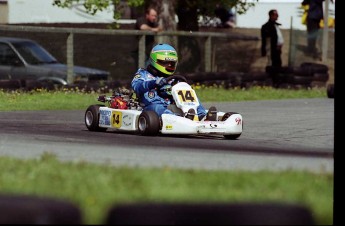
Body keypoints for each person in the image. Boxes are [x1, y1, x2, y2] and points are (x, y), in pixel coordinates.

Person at [131, 43, 217, 121]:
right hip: (150, 107)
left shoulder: (172, 79)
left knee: (191, 95)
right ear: (156, 61)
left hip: (172, 105)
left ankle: (202, 115)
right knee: (157, 107)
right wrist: (153, 83)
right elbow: (136, 86)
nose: (169, 65)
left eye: (171, 63)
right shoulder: (143, 74)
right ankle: (175, 119)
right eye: (165, 62)